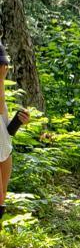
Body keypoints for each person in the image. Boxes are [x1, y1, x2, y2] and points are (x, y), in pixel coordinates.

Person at [0, 39, 31, 221]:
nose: (5, 70)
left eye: (5, 67)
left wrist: (18, 122)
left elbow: (4, 130)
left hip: (4, 148)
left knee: (2, 195)